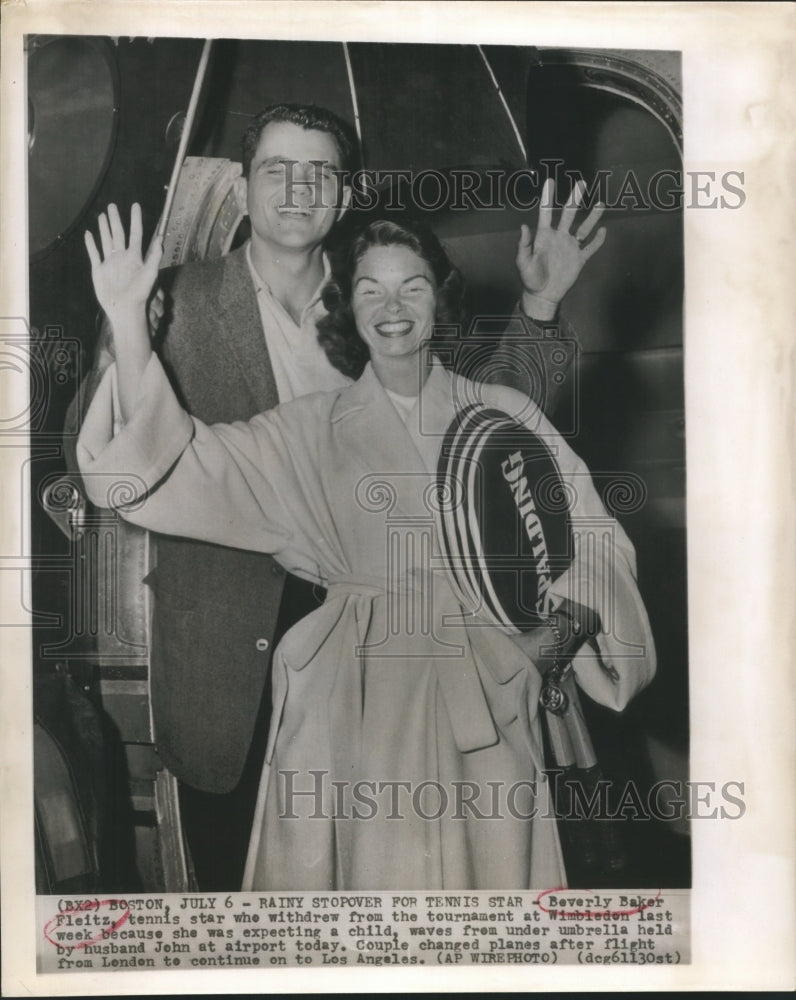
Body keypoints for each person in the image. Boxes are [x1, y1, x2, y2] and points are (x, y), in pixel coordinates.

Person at [67, 102, 607, 890]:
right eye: (276, 170)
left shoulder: (379, 291)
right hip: (230, 661)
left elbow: (481, 432)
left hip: (406, 655)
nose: (296, 188)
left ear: (346, 193)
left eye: (319, 171)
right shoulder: (162, 294)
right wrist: (128, 334)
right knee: (262, 904)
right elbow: (109, 474)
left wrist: (540, 308)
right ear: (243, 187)